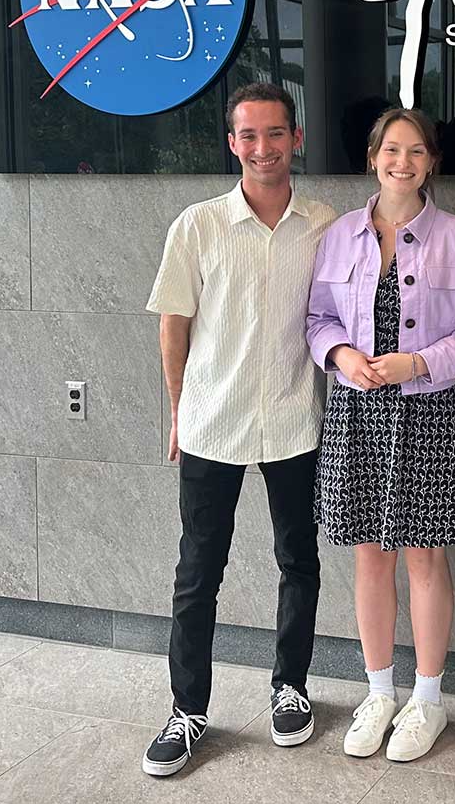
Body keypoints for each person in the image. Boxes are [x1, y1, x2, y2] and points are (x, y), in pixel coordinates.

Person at [141, 82, 338, 777]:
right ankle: (187, 710)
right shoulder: (196, 226)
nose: (263, 147)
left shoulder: (324, 224)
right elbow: (174, 325)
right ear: (232, 142)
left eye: (275, 133)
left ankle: (292, 687)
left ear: (297, 138)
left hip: (295, 420)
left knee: (299, 561)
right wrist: (178, 410)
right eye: (249, 135)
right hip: (212, 424)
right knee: (198, 573)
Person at [306, 107, 455, 762]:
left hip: (430, 411)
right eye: (392, 149)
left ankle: (428, 699)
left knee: (425, 556)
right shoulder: (338, 235)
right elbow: (316, 317)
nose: (402, 162)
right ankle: (378, 692)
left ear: (431, 162)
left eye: (416, 151)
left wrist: (417, 362)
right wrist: (340, 355)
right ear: (372, 156)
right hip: (356, 412)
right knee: (369, 554)